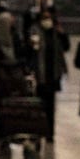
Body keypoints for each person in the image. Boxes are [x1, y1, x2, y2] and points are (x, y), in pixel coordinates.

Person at [31, 8, 69, 142]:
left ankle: (49, 133)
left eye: (49, 18)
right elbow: (31, 51)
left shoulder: (56, 33)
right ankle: (37, 131)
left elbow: (66, 47)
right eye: (44, 18)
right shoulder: (34, 31)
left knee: (51, 104)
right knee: (38, 103)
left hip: (53, 73)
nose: (47, 21)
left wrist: (63, 34)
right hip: (39, 73)